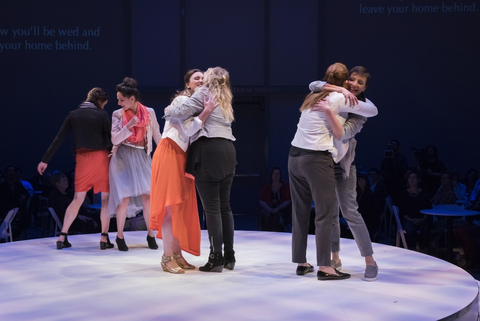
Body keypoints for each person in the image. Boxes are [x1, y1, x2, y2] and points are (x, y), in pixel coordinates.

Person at [289, 62, 377, 281]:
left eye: (360, 82)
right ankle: (333, 260)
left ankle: (370, 260)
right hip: (322, 161)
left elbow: (343, 133)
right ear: (344, 79)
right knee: (329, 215)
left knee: (350, 213)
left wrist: (331, 104)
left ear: (365, 87)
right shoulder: (337, 95)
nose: (354, 84)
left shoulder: (356, 108)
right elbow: (313, 84)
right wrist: (336, 89)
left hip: (342, 166)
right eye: (351, 79)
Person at [164, 66, 236, 273]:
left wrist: (167, 110)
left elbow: (177, 113)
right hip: (229, 150)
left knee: (212, 208)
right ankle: (229, 256)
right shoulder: (226, 97)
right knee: (225, 207)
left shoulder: (205, 92)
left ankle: (216, 259)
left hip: (209, 151)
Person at [151, 69, 217, 274]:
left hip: (182, 156)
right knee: (171, 208)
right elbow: (188, 130)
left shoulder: (195, 106)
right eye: (196, 78)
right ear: (187, 84)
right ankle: (167, 256)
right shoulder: (180, 101)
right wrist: (206, 112)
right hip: (170, 151)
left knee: (179, 209)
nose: (200, 81)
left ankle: (177, 254)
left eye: (203, 79)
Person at [37, 87, 112, 250]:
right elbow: (111, 138)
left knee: (78, 199)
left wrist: (45, 160)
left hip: (83, 159)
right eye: (104, 104)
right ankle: (104, 238)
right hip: (101, 158)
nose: (104, 107)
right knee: (106, 199)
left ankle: (62, 236)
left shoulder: (74, 114)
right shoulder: (101, 114)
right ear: (99, 102)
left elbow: (59, 139)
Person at [107, 77, 162, 251]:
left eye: (121, 99)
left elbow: (156, 135)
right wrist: (129, 126)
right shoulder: (118, 114)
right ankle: (119, 235)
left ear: (132, 98)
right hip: (123, 157)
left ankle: (150, 234)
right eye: (118, 100)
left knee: (148, 197)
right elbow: (115, 138)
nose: (118, 103)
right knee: (123, 199)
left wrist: (165, 153)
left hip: (142, 157)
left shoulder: (149, 112)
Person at [396, 170, 432, 251]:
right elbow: (402, 211)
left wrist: (422, 219)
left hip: (422, 219)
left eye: (414, 177)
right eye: (410, 177)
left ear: (418, 179)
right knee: (410, 229)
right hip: (408, 219)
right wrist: (411, 219)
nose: (412, 180)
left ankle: (423, 247)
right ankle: (423, 246)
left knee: (425, 228)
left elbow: (428, 208)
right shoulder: (404, 194)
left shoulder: (424, 193)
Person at [259, 167, 292, 232]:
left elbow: (288, 200)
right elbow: (261, 200)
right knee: (264, 215)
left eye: (277, 174)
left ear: (280, 175)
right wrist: (268, 208)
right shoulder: (266, 187)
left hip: (282, 209)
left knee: (280, 216)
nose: (275, 176)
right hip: (269, 208)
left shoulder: (285, 186)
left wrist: (278, 208)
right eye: (274, 173)